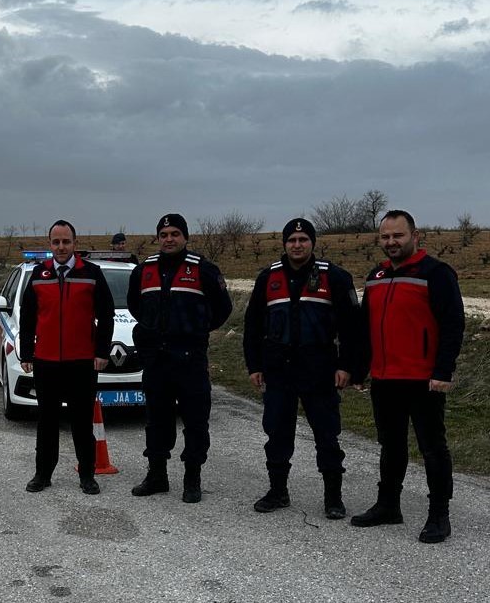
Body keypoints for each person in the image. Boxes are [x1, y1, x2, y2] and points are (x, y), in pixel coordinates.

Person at [352, 209, 465, 543]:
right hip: (385, 378)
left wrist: (443, 370)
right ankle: (388, 505)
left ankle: (439, 515)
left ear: (415, 236)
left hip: (423, 378)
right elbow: (364, 328)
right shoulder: (375, 276)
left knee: (432, 448)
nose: (391, 242)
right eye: (385, 237)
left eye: (397, 236)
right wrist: (360, 369)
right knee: (391, 445)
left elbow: (452, 325)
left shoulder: (437, 273)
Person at [243, 218, 361, 519]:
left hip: (319, 369)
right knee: (277, 433)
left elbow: (351, 328)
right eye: (292, 240)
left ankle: (333, 497)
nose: (297, 245)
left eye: (303, 239)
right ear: (284, 244)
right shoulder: (267, 278)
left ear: (312, 243)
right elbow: (253, 326)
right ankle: (277, 491)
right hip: (278, 370)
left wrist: (348, 366)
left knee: (326, 435)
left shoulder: (334, 277)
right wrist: (254, 365)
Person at [126, 213, 232, 503]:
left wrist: (194, 330)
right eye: (164, 234)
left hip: (190, 359)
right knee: (156, 420)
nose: (169, 239)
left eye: (175, 233)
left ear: (185, 237)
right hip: (157, 360)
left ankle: (192, 478)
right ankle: (157, 475)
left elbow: (222, 309)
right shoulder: (143, 270)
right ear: (158, 238)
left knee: (196, 421)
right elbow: (137, 307)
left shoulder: (203, 269)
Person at [19, 220, 115, 494]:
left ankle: (87, 474)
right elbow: (27, 317)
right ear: (50, 244)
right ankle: (43, 474)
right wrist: (27, 352)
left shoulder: (92, 273)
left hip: (81, 361)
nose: (61, 247)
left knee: (82, 422)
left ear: (75, 243)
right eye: (56, 242)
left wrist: (101, 351)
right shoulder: (39, 275)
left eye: (66, 242)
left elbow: (106, 315)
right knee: (46, 421)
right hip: (47, 360)